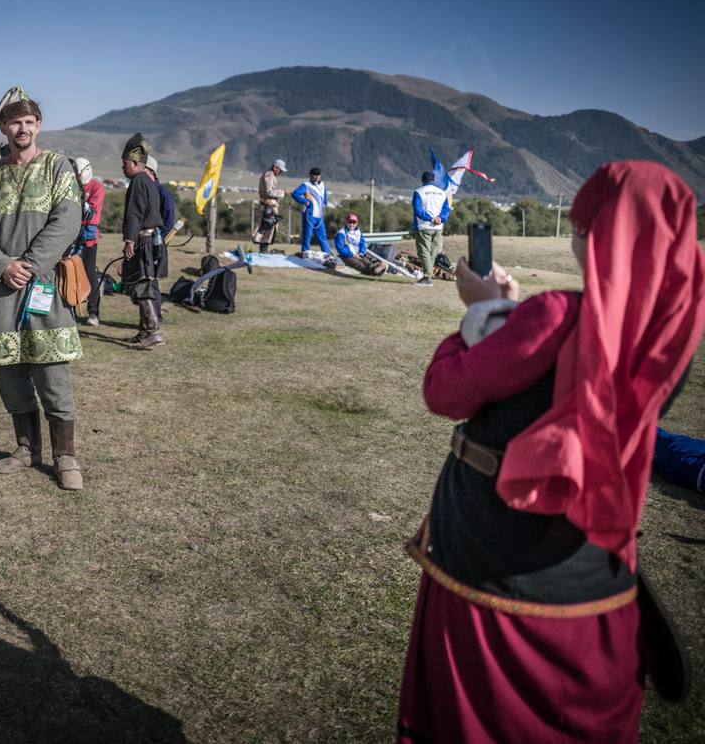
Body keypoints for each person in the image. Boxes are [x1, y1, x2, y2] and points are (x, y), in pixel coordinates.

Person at [397, 161, 705, 742]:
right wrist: (512, 318)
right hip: (595, 575)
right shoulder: (672, 336)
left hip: (494, 574)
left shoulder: (556, 317)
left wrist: (482, 310)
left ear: (590, 236)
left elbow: (445, 389)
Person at [0, 87, 85, 490]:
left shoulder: (57, 167)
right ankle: (25, 449)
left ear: (38, 125)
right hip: (2, 290)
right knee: (10, 375)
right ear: (3, 127)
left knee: (52, 375)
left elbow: (68, 221)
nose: (23, 128)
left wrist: (28, 265)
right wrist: (1, 265)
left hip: (43, 286)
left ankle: (66, 458)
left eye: (29, 122)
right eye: (15, 122)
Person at [120, 133, 166, 350]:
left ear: (136, 163)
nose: (122, 168)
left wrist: (129, 240)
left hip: (143, 241)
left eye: (125, 163)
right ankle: (144, 332)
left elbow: (135, 214)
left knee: (142, 287)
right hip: (150, 240)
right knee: (143, 285)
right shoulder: (147, 181)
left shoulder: (139, 181)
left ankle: (152, 332)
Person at [73, 157, 106, 327]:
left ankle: (93, 312)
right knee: (69, 271)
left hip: (88, 237)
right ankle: (70, 309)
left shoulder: (97, 187)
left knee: (90, 273)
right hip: (71, 234)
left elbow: (91, 211)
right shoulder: (73, 186)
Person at [146, 156, 176, 322]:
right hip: (142, 244)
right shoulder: (144, 192)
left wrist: (156, 241)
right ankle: (150, 318)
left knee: (152, 283)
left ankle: (155, 318)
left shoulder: (164, 193)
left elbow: (168, 223)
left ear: (151, 172)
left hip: (155, 245)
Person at [411, 170, 449, 287]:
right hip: (438, 227)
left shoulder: (418, 192)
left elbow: (418, 210)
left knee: (424, 252)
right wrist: (440, 219)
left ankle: (427, 277)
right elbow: (446, 210)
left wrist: (429, 218)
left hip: (423, 226)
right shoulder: (442, 193)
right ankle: (429, 276)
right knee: (432, 252)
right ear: (433, 180)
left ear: (423, 180)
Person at [291, 167, 332, 258]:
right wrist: (306, 201)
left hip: (319, 216)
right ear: (310, 175)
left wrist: (325, 203)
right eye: (314, 175)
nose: (316, 177)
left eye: (318, 175)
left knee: (322, 237)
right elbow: (295, 194)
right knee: (307, 236)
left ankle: (328, 255)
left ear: (320, 176)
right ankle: (305, 253)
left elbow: (324, 198)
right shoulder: (306, 185)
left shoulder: (323, 186)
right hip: (309, 215)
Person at [254, 159, 286, 252]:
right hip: (268, 205)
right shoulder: (269, 176)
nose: (281, 173)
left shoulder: (269, 176)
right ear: (275, 167)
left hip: (269, 205)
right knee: (267, 226)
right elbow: (270, 191)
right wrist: (283, 192)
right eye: (280, 170)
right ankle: (263, 248)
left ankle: (264, 248)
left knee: (268, 226)